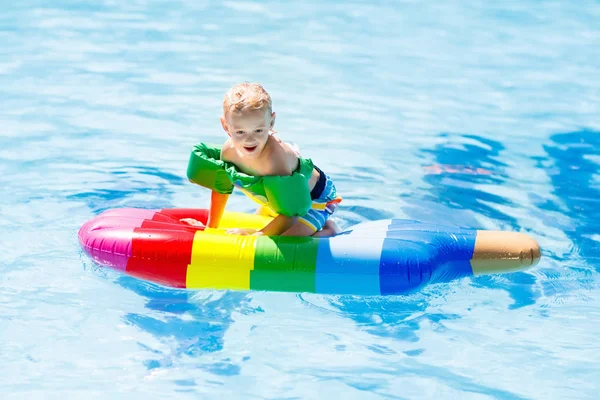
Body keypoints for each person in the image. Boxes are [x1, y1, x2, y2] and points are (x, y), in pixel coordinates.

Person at [183, 82, 341, 236]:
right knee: (263, 220)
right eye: (240, 132)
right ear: (226, 126)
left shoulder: (275, 160)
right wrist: (211, 228)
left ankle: (329, 229)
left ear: (271, 122)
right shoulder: (228, 152)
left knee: (288, 240)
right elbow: (221, 188)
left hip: (314, 199)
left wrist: (257, 235)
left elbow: (291, 211)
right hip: (277, 201)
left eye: (258, 130)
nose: (250, 140)